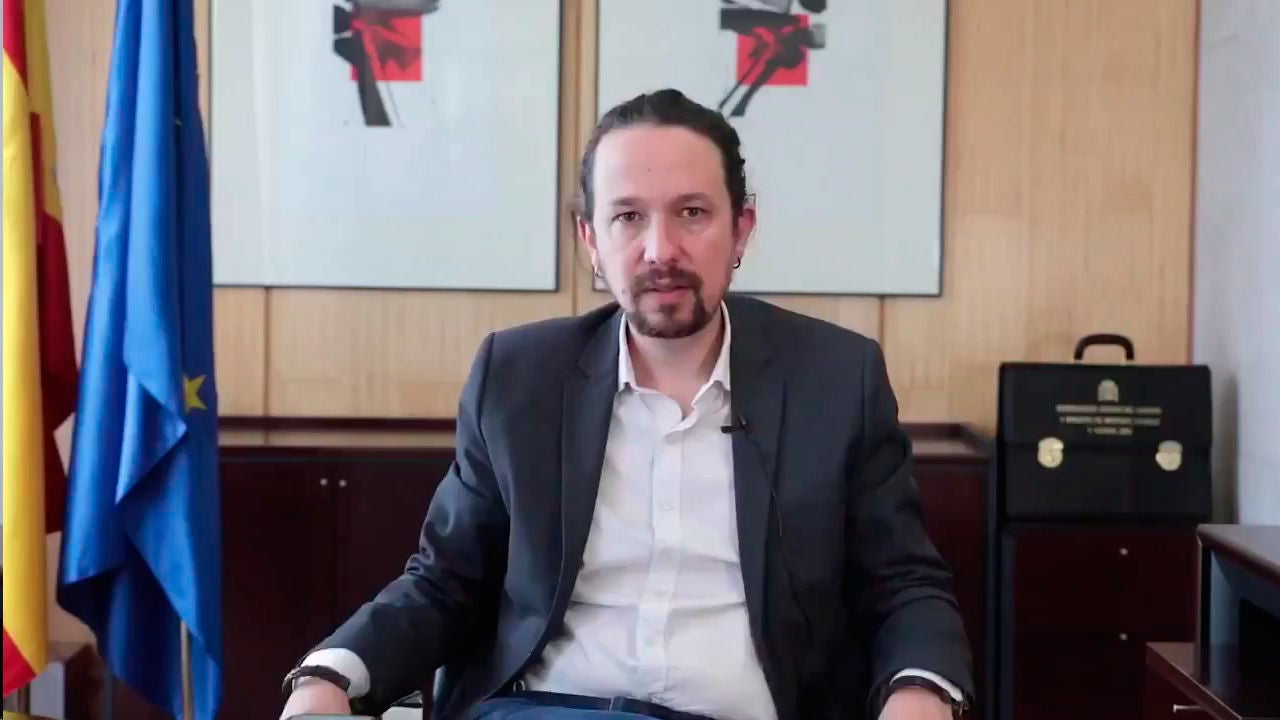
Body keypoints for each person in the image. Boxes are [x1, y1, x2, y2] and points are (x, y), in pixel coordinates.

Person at [280, 88, 973, 720]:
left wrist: (919, 695)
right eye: (628, 218)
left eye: (692, 213)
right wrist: (329, 675)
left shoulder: (835, 379)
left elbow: (903, 586)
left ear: (741, 229)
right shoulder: (518, 378)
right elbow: (445, 581)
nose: (659, 250)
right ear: (591, 240)